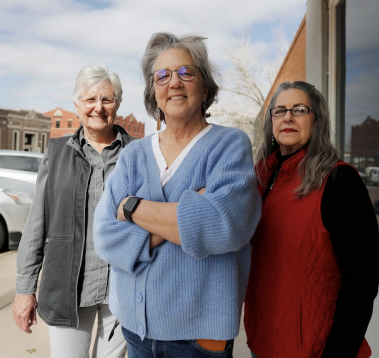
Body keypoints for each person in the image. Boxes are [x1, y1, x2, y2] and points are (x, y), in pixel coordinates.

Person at [93, 32, 261, 358]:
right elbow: (104, 235)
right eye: (162, 75)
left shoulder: (230, 146)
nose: (175, 83)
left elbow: (224, 225)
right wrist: (184, 214)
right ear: (153, 93)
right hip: (135, 330)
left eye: (187, 72)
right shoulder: (133, 156)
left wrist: (132, 208)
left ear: (205, 88)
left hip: (199, 339)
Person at [244, 81, 379, 358]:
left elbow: (362, 281)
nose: (288, 117)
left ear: (317, 119)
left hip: (317, 351)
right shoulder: (259, 178)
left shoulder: (338, 182)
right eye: (279, 110)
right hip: (262, 344)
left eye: (299, 109)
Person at [13, 65, 132, 358]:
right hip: (68, 291)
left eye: (107, 100)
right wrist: (24, 289)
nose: (98, 108)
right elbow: (36, 226)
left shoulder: (137, 153)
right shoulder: (57, 153)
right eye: (90, 99)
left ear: (117, 104)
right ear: (76, 104)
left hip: (123, 289)